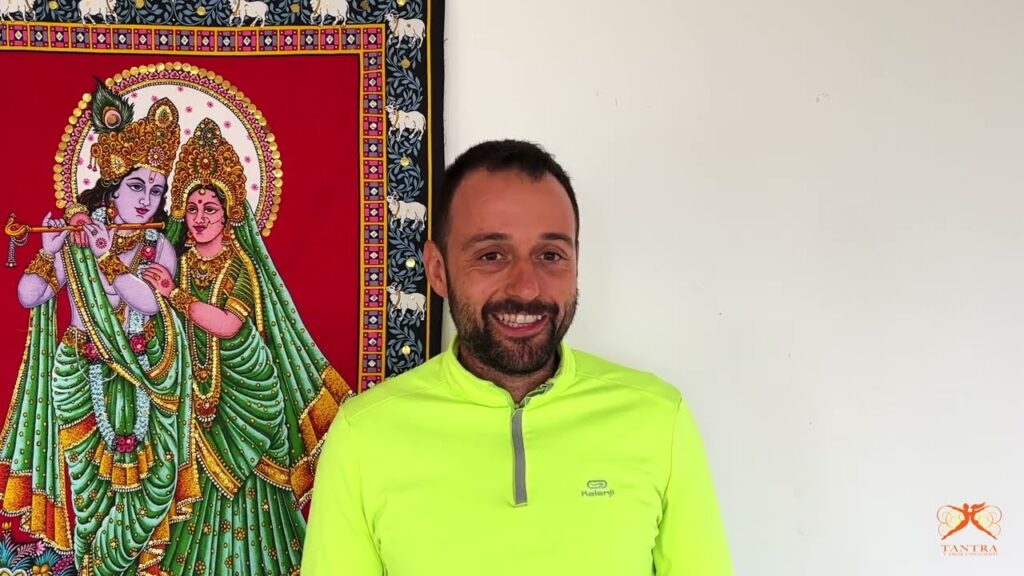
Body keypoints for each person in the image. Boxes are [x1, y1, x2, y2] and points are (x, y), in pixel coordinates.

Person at [303, 140, 733, 575]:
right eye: (492, 255)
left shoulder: (659, 419)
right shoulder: (363, 436)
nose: (527, 287)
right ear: (437, 270)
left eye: (551, 255)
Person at [141, 118, 353, 576]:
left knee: (253, 489)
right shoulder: (178, 262)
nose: (199, 218)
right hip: (194, 398)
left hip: (247, 397)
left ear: (229, 214)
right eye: (192, 208)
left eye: (210, 209)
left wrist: (174, 295)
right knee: (199, 490)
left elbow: (228, 324)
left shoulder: (239, 267)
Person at [0, 86, 191, 575]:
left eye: (156, 191)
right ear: (111, 187)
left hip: (144, 374)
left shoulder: (158, 246)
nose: (146, 201)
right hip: (80, 373)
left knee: (152, 486)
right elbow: (29, 296)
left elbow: (149, 302)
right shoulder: (77, 236)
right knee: (87, 489)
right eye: (136, 187)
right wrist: (52, 248)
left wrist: (106, 257)